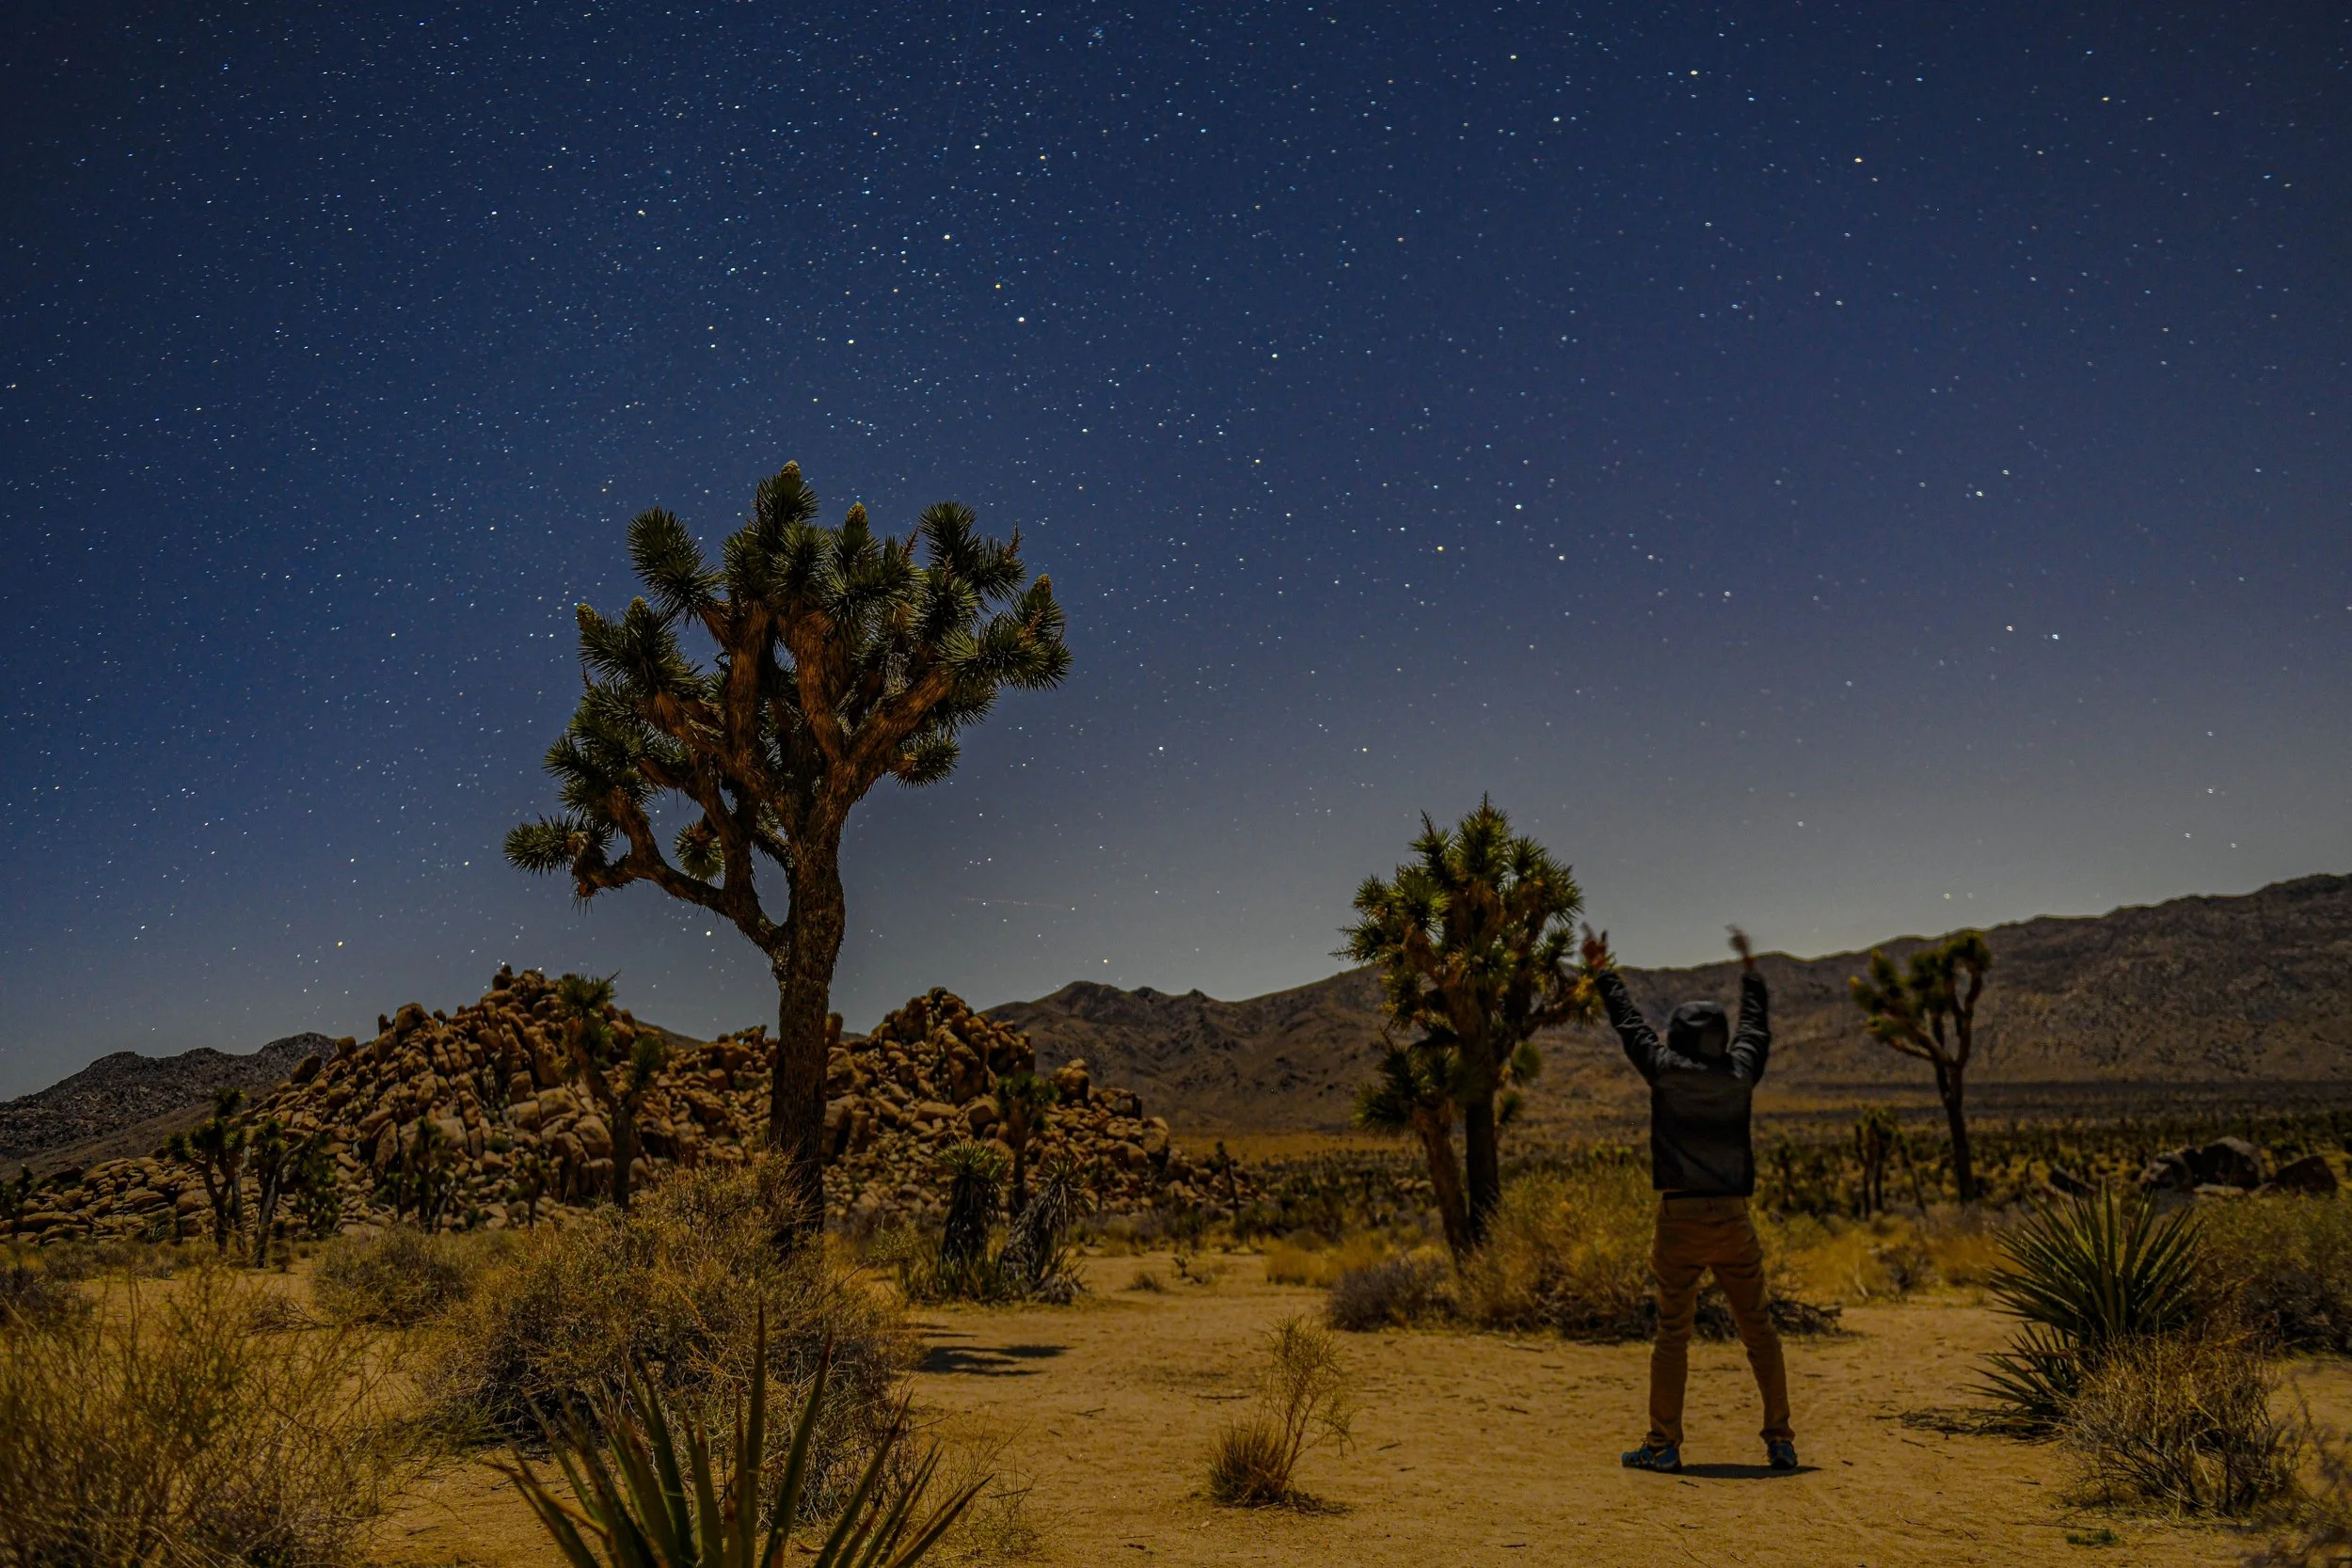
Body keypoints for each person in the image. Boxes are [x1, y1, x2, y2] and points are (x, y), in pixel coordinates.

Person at [1581, 922, 1796, 1475]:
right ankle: (1780, 1440)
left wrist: (1602, 969)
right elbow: (1758, 1029)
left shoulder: (1666, 1072)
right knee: (1758, 1329)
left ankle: (1663, 1445)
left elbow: (1629, 1025)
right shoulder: (1740, 1073)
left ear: (1677, 1036)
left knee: (1673, 1332)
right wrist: (1751, 975)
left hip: (1678, 1218)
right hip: (1732, 1217)